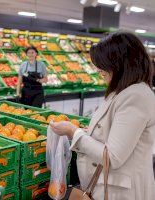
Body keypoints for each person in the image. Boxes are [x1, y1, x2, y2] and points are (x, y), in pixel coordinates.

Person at [50, 32, 155, 199]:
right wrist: (87, 131)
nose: (98, 69)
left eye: (102, 64)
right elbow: (114, 133)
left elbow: (112, 157)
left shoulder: (136, 97)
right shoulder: (122, 91)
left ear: (121, 63)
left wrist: (73, 132)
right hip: (109, 185)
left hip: (121, 191)